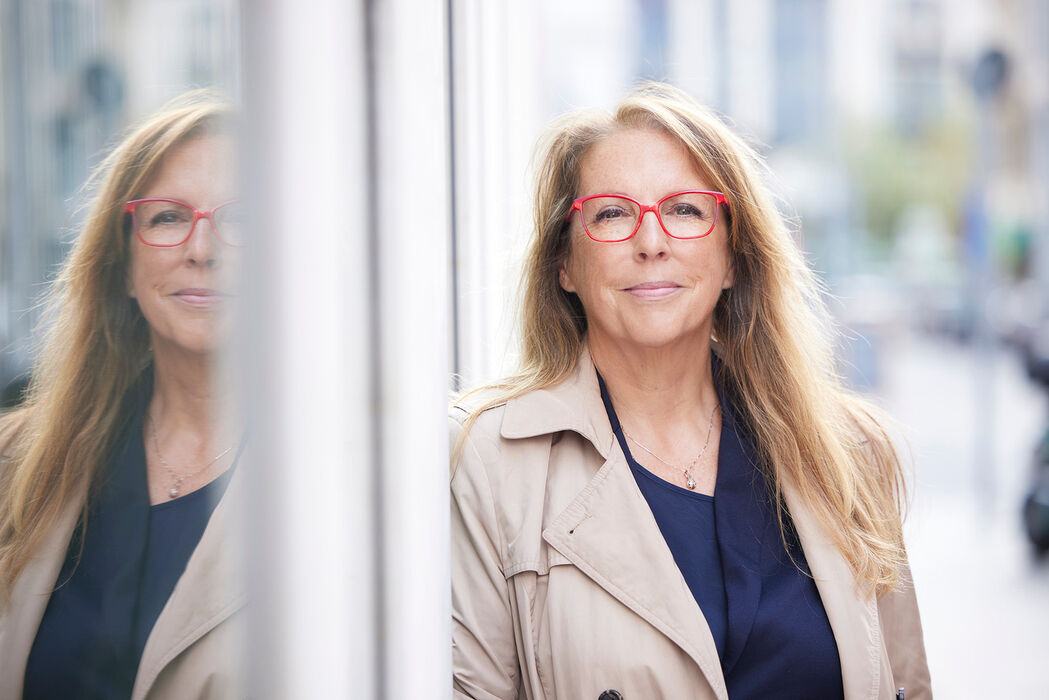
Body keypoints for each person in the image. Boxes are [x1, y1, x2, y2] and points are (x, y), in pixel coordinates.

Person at [450, 83, 931, 699]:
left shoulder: (852, 453)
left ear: (733, 257)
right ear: (564, 266)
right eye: (612, 213)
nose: (651, 242)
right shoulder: (491, 465)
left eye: (684, 209)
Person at [0, 91, 245, 698]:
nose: (202, 249)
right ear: (121, 265)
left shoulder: (358, 484)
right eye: (167, 217)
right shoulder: (17, 465)